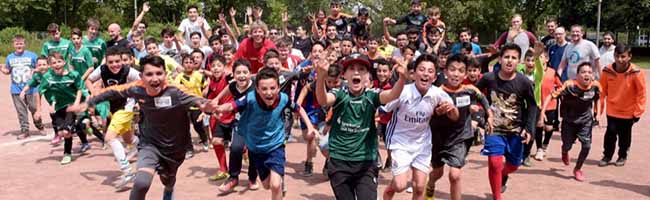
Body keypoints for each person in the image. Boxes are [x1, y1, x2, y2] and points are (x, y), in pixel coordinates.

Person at [68, 55, 219, 200]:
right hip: (150, 144)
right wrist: (87, 104)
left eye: (159, 73)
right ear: (141, 76)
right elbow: (112, 92)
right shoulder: (136, 88)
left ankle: (168, 190)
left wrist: (209, 106)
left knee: (168, 179)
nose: (155, 79)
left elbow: (200, 102)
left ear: (165, 74)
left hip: (175, 147)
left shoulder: (175, 91)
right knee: (141, 183)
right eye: (149, 74)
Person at [213, 67, 317, 200]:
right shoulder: (251, 98)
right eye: (264, 89)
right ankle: (277, 181)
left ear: (278, 87)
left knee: (275, 185)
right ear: (257, 89)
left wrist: (309, 127)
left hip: (276, 146)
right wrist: (221, 108)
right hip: (256, 149)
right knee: (267, 185)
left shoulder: (283, 99)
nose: (269, 93)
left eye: (273, 88)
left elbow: (298, 108)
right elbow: (232, 105)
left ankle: (279, 181)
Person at [315, 52, 407, 200]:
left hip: (366, 163)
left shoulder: (372, 96)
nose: (356, 72)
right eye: (351, 68)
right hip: (339, 162)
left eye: (362, 69)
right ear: (344, 75)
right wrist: (321, 77)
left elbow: (391, 95)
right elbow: (323, 99)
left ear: (367, 76)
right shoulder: (339, 94)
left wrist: (402, 78)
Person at [382, 54, 458, 200]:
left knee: (419, 188)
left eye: (430, 71)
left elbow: (454, 116)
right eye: (422, 70)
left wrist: (451, 109)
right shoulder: (403, 92)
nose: (425, 74)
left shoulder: (437, 94)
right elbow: (383, 110)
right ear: (414, 73)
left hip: (422, 143)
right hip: (400, 142)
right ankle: (389, 191)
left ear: (434, 77)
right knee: (400, 186)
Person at [475, 43, 536, 200]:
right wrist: (479, 115)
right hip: (493, 129)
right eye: (506, 57)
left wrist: (529, 129)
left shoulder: (524, 83)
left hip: (516, 131)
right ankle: (497, 197)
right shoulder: (488, 79)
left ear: (519, 62)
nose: (509, 61)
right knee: (495, 163)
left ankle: (503, 174)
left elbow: (532, 106)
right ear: (500, 60)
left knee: (513, 165)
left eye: (514, 58)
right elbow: (474, 95)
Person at [426, 54, 492, 200]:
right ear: (445, 72)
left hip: (460, 137)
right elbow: (427, 114)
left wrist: (490, 115)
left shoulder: (470, 89)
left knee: (454, 175)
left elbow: (483, 99)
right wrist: (437, 111)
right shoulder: (436, 92)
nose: (456, 74)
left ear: (465, 73)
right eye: (452, 69)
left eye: (461, 70)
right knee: (437, 173)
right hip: (438, 138)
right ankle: (430, 185)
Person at [85, 46, 141, 189]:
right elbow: (88, 80)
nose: (115, 65)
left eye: (118, 61)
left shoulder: (129, 71)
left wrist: (140, 98)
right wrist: (93, 92)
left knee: (109, 137)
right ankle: (142, 146)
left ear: (122, 61)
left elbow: (144, 81)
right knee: (128, 139)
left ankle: (127, 171)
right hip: (114, 108)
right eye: (111, 62)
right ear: (106, 62)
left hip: (126, 107)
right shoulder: (102, 69)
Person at [540, 62, 601, 181]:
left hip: (585, 121)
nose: (586, 75)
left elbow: (597, 98)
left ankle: (578, 169)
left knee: (587, 146)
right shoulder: (569, 86)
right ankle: (564, 150)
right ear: (577, 75)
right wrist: (542, 112)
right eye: (583, 72)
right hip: (569, 121)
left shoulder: (595, 86)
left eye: (589, 72)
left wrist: (597, 113)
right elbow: (550, 96)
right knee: (567, 145)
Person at [214, 59, 260, 192]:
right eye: (238, 72)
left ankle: (252, 178)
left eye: (245, 72)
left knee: (253, 152)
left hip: (255, 125)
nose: (241, 75)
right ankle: (233, 177)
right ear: (233, 74)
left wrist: (223, 108)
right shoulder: (233, 86)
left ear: (250, 73)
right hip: (239, 123)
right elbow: (228, 88)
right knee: (235, 148)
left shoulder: (255, 88)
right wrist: (217, 99)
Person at [598, 44, 646, 167]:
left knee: (625, 136)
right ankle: (607, 155)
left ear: (629, 57)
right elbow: (602, 91)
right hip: (612, 110)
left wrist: (638, 112)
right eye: (617, 56)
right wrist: (598, 110)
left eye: (623, 57)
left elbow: (641, 94)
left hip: (628, 111)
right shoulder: (607, 70)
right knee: (610, 133)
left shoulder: (636, 72)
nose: (620, 60)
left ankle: (622, 156)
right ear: (614, 56)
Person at [41, 52, 88, 164]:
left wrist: (76, 103)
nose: (57, 64)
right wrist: (46, 107)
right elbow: (41, 91)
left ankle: (67, 154)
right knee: (61, 133)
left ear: (64, 62)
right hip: (58, 108)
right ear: (50, 65)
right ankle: (79, 127)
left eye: (59, 62)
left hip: (70, 106)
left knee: (66, 132)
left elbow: (80, 88)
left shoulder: (73, 74)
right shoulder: (48, 77)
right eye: (53, 63)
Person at [2, 35, 44, 139]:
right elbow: (8, 71)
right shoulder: (10, 57)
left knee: (34, 108)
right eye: (17, 44)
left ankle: (39, 125)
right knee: (21, 111)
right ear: (13, 45)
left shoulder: (32, 56)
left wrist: (36, 70)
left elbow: (40, 67)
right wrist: (2, 70)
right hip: (16, 89)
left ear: (24, 44)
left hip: (31, 88)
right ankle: (25, 130)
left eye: (21, 43)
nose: (19, 46)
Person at [203, 55, 233, 181]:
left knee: (239, 146)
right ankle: (223, 169)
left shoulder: (228, 77)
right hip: (219, 116)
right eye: (213, 66)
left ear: (224, 67)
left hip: (233, 115)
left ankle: (244, 152)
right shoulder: (211, 82)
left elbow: (236, 76)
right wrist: (205, 112)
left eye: (219, 65)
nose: (215, 68)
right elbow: (208, 98)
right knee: (216, 141)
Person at [173, 54, 210, 159]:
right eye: (186, 62)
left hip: (197, 105)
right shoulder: (179, 77)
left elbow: (206, 85)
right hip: (184, 106)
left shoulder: (198, 75)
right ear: (182, 64)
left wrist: (203, 95)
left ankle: (205, 139)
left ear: (194, 64)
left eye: (190, 62)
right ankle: (189, 149)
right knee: (185, 128)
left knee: (197, 125)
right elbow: (175, 89)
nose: (188, 65)